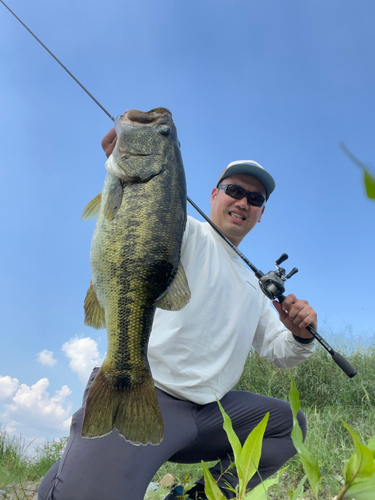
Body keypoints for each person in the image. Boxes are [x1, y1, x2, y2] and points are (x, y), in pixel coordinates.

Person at [38, 126, 317, 500]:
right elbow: (140, 217)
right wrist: (124, 161)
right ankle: (80, 470)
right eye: (235, 190)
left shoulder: (254, 284)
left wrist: (300, 333)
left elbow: (279, 352)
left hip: (212, 414)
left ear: (261, 214)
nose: (243, 202)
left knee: (290, 426)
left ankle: (200, 496)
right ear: (215, 195)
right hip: (145, 392)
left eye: (255, 198)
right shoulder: (182, 230)